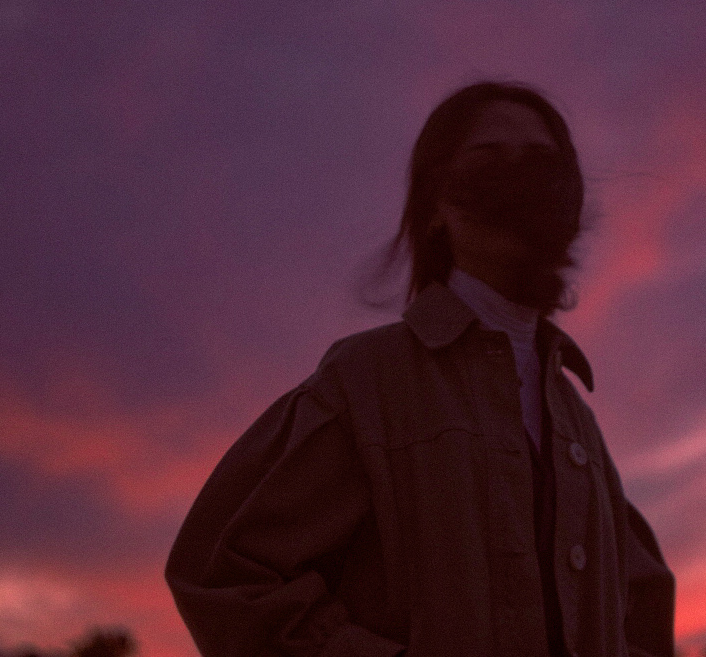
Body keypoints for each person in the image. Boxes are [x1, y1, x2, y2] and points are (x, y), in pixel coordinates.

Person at [166, 81, 675, 657]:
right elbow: (223, 575)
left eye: (541, 160)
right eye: (488, 158)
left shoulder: (577, 424)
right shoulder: (365, 383)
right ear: (435, 207)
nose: (519, 179)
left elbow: (642, 608)